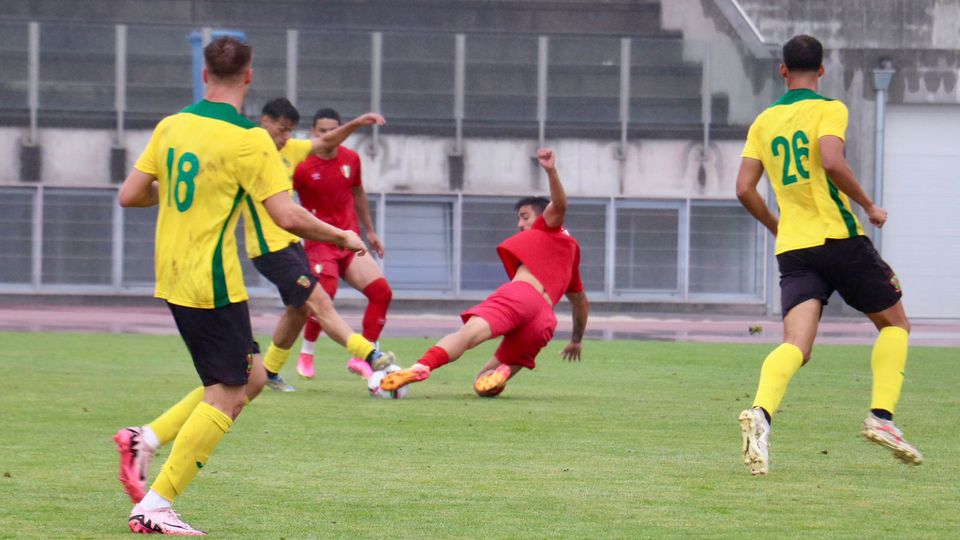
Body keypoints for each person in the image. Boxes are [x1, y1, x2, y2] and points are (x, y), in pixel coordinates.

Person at [111, 36, 381, 535]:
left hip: (171, 273)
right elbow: (287, 215)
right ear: (250, 76)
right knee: (228, 393)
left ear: (204, 74)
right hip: (210, 282)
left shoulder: (172, 125)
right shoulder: (249, 138)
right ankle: (156, 503)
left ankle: (144, 439)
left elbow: (131, 194)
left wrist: (172, 191)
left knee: (252, 378)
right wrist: (342, 234)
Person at [735, 34, 922, 476]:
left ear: (782, 71)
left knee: (796, 345)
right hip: (838, 237)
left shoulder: (763, 121)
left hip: (794, 249)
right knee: (895, 323)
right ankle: (882, 418)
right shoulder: (829, 108)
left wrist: (776, 225)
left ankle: (760, 414)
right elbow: (832, 161)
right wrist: (870, 205)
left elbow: (744, 188)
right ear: (822, 70)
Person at [380, 148, 589, 397]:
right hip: (545, 320)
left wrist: (551, 171)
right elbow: (580, 302)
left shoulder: (548, 225)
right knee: (483, 385)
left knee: (467, 335)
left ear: (544, 214)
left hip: (520, 296)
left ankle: (421, 367)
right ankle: (503, 372)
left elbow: (560, 204)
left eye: (524, 216)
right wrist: (576, 339)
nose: (520, 224)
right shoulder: (571, 252)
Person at [244, 98, 390, 392]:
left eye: (290, 132)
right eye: (281, 130)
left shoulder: (292, 151)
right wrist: (339, 235)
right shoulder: (247, 154)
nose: (285, 138)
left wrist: (356, 124)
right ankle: (370, 354)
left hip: (291, 244)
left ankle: (270, 370)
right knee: (321, 301)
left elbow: (327, 141)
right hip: (270, 249)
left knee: (299, 310)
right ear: (265, 122)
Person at [291, 108, 394, 381]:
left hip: (349, 240)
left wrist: (370, 232)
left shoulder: (351, 159)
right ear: (314, 134)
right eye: (323, 131)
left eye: (333, 129)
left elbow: (358, 192)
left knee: (382, 292)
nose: (329, 135)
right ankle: (307, 352)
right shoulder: (301, 165)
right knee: (326, 294)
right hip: (320, 241)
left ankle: (365, 356)